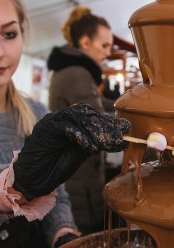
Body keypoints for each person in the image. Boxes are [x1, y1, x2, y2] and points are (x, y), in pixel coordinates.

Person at [0, 1, 130, 248]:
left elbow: (57, 196)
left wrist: (64, 232)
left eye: (9, 34)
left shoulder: (36, 113)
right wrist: (11, 186)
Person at [47, 7, 115, 235]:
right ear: (85, 42)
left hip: (77, 170)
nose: (108, 51)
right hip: (80, 174)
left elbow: (95, 104)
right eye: (104, 45)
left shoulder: (71, 69)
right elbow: (97, 124)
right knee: (87, 232)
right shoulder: (78, 73)